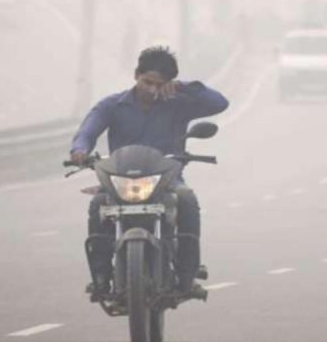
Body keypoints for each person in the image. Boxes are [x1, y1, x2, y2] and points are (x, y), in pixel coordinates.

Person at [70, 46, 229, 295]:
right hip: (120, 180)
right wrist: (79, 150)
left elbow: (220, 103)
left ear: (169, 83)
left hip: (167, 179)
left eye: (159, 84)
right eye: (147, 82)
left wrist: (183, 87)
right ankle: (100, 276)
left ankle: (188, 274)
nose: (152, 90)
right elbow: (88, 130)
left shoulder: (179, 104)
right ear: (136, 75)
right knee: (98, 204)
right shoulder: (112, 105)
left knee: (186, 198)